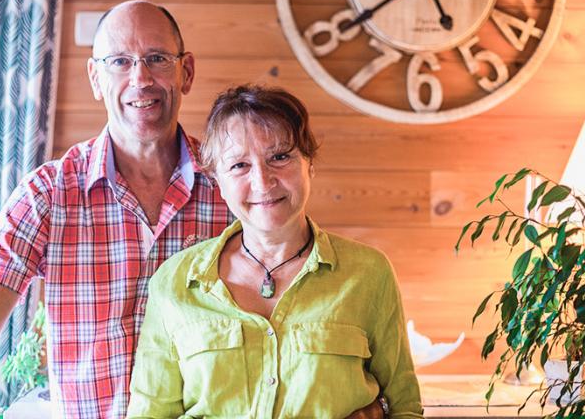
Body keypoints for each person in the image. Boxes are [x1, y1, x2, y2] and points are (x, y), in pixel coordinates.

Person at [0, 2, 383, 419]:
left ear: (187, 72)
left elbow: (300, 318)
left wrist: (366, 403)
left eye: (157, 59)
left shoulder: (234, 187)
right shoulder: (47, 194)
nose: (140, 79)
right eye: (120, 62)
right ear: (95, 77)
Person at [127, 85, 424, 418]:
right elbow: (148, 413)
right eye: (239, 165)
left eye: (280, 157)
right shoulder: (175, 281)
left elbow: (404, 406)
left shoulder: (368, 273)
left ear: (309, 164)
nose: (263, 181)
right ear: (217, 181)